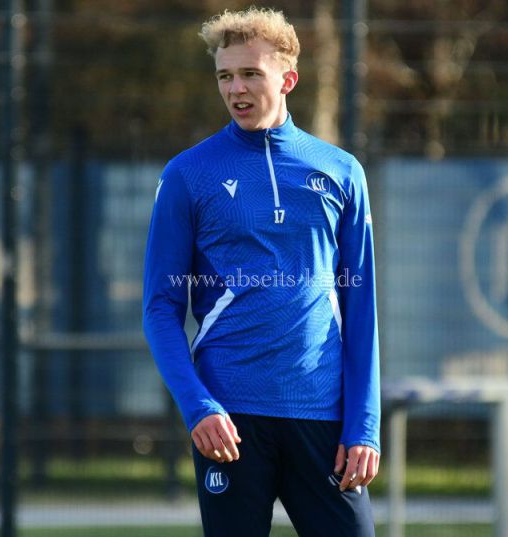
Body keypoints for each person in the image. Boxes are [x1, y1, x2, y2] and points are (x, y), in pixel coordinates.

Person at [143, 6, 380, 536]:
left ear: (288, 79)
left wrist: (364, 425)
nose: (236, 89)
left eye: (251, 73)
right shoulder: (188, 175)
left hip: (322, 412)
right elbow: (160, 308)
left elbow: (360, 306)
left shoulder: (341, 171)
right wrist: (197, 407)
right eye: (225, 76)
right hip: (228, 418)